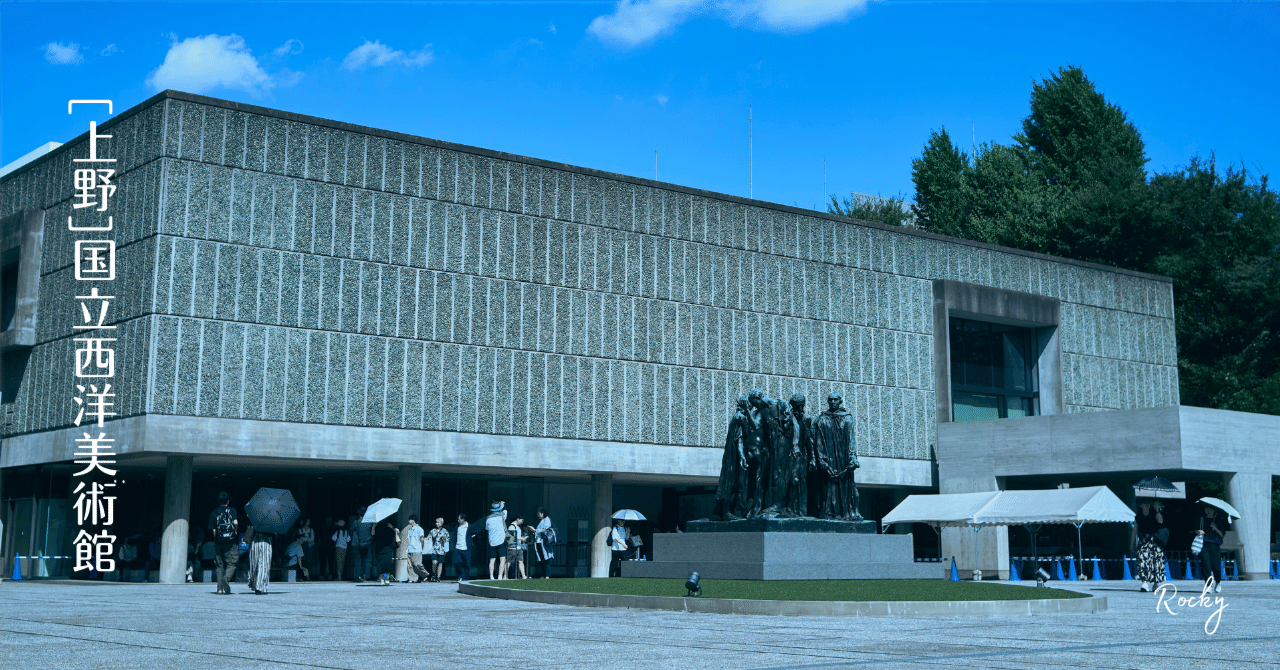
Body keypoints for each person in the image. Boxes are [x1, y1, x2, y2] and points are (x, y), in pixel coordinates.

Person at [207, 491, 239, 595]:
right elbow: (235, 523)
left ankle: (219, 589)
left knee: (219, 566)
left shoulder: (214, 513)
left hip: (218, 542)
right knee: (232, 563)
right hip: (230, 541)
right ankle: (226, 578)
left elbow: (213, 531)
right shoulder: (232, 510)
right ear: (228, 501)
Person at [1133, 501, 1167, 592]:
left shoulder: (1155, 514)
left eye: (1147, 504)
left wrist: (1157, 510)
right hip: (1143, 541)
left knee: (1156, 563)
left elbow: (1161, 521)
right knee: (1142, 561)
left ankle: (1156, 583)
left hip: (1155, 541)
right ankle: (1144, 582)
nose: (1145, 506)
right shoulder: (1138, 517)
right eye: (1143, 504)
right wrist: (1132, 543)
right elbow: (1135, 530)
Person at [1197, 505, 1227, 593]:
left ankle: (1218, 582)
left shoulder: (1219, 520)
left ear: (1214, 510)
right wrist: (1198, 532)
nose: (1208, 511)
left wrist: (1215, 528)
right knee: (1206, 565)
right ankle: (1208, 585)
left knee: (1216, 566)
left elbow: (1222, 534)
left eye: (1210, 509)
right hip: (1204, 544)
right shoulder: (1202, 519)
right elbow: (1196, 529)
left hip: (1215, 545)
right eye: (1206, 509)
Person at [245, 524, 273, 595]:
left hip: (255, 541)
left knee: (254, 564)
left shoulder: (255, 515)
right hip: (267, 541)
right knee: (264, 565)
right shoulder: (272, 518)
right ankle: (260, 587)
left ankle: (255, 584)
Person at [403, 515, 430, 583]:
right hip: (410, 549)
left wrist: (421, 548)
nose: (408, 521)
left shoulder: (419, 529)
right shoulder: (410, 530)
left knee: (417, 564)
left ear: (413, 520)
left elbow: (422, 539)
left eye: (410, 519)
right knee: (410, 565)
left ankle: (425, 574)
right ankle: (412, 578)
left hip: (417, 549)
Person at [485, 501, 508, 580]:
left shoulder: (488, 518)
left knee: (492, 560)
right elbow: (505, 510)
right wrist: (502, 504)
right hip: (501, 541)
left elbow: (487, 529)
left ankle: (491, 576)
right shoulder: (502, 516)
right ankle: (500, 576)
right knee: (502, 559)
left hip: (492, 541)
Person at [351, 507, 374, 582]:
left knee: (357, 561)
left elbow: (350, 531)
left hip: (356, 543)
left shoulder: (356, 522)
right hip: (366, 543)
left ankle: (358, 577)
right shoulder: (369, 522)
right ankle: (363, 576)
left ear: (359, 513)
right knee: (364, 560)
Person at [426, 517, 451, 582]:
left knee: (440, 563)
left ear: (442, 523)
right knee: (434, 562)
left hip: (441, 550)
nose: (436, 523)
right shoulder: (433, 531)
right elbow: (429, 538)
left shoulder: (445, 531)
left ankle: (438, 577)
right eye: (436, 522)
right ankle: (433, 574)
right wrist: (427, 538)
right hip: (434, 549)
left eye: (438, 522)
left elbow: (447, 541)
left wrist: (446, 549)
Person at [532, 507, 554, 579]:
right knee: (541, 559)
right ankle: (543, 574)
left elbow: (544, 530)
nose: (538, 515)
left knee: (546, 558)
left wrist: (535, 530)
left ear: (543, 513)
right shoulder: (541, 521)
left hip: (544, 542)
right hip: (538, 542)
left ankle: (547, 575)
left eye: (539, 513)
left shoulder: (547, 519)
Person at [452, 513, 474, 582]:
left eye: (459, 519)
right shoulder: (457, 527)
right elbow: (454, 536)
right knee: (456, 562)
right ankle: (460, 575)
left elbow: (478, 532)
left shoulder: (469, 527)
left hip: (466, 548)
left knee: (466, 564)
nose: (458, 520)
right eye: (457, 519)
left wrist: (473, 537)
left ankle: (465, 578)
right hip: (458, 547)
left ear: (463, 519)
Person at [507, 515, 528, 579]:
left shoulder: (517, 527)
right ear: (518, 519)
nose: (522, 522)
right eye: (522, 520)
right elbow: (512, 538)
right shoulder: (511, 527)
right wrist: (522, 539)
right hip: (512, 547)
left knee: (520, 561)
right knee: (509, 562)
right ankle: (505, 575)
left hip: (519, 547)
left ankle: (523, 575)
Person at [317, 516, 336, 580]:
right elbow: (319, 536)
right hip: (323, 546)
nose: (328, 519)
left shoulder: (333, 527)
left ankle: (331, 574)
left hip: (331, 546)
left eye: (330, 518)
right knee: (323, 561)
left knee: (331, 561)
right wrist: (319, 544)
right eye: (327, 518)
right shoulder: (322, 527)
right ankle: (322, 574)